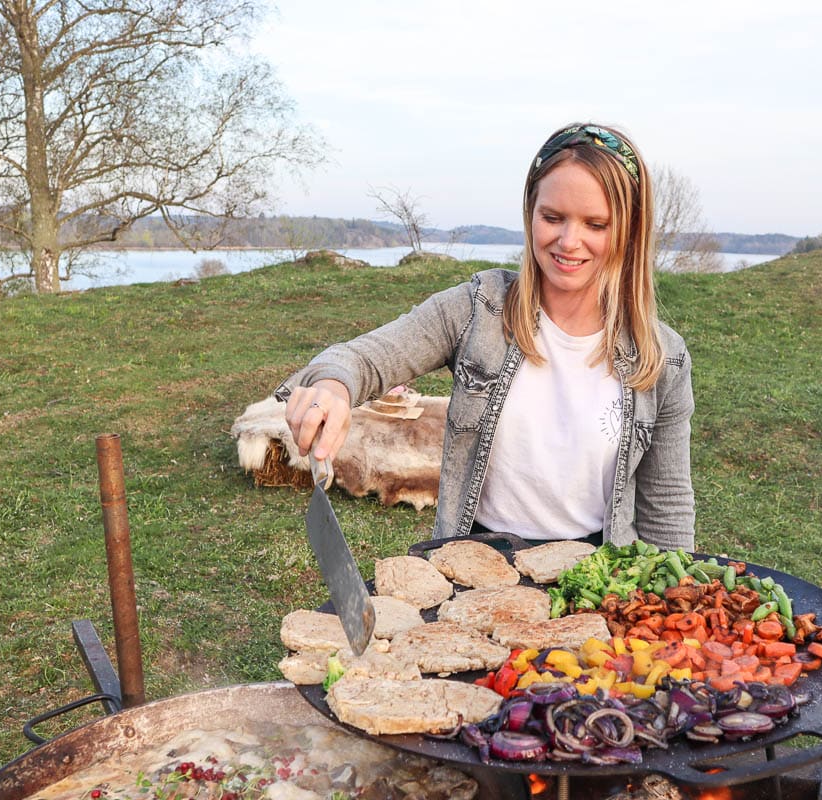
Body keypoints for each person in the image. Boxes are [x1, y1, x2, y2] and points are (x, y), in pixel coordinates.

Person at [275, 123, 694, 552]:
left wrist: (684, 603)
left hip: (596, 577)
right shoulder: (480, 307)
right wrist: (331, 386)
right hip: (475, 564)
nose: (569, 241)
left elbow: (666, 506)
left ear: (630, 229)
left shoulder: (664, 358)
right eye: (552, 217)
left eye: (596, 224)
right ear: (530, 213)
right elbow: (366, 357)